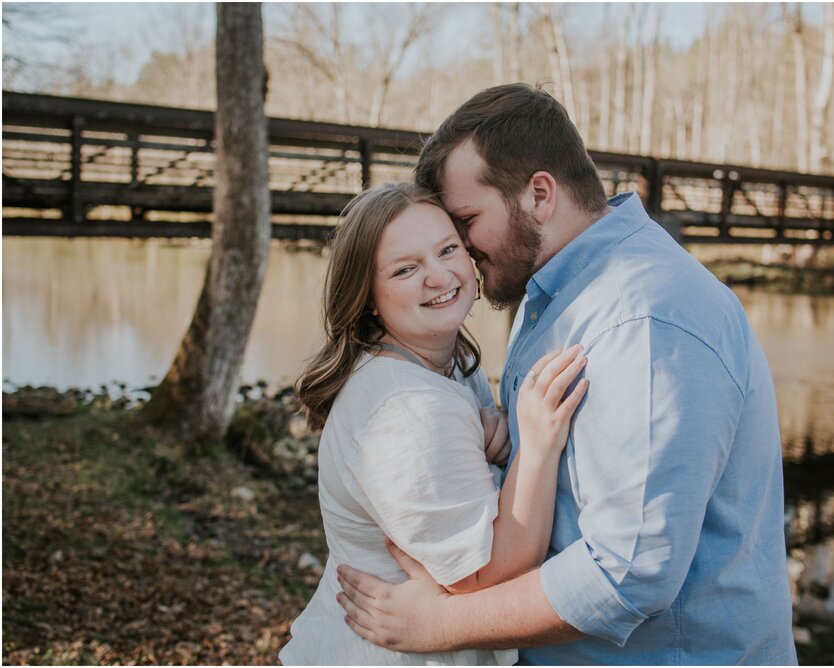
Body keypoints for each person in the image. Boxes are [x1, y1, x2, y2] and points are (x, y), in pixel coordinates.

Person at [335, 83, 797, 665]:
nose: (461, 248)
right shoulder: (556, 287)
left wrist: (440, 625)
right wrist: (504, 441)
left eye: (467, 221)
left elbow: (626, 571)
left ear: (540, 195)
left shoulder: (645, 318)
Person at [279, 182, 589, 665]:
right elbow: (488, 578)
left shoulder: (447, 366)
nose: (438, 275)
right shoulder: (405, 406)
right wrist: (538, 444)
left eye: (447, 249)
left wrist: (496, 428)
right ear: (369, 299)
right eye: (405, 269)